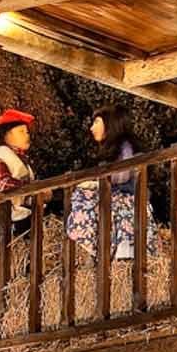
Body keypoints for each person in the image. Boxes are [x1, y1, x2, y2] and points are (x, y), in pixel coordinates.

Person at [63, 104, 140, 263]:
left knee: (84, 195)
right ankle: (93, 244)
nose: (92, 128)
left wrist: (94, 183)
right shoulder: (111, 150)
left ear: (111, 123)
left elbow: (122, 175)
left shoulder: (125, 146)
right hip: (114, 196)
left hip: (125, 197)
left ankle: (96, 245)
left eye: (96, 122)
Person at [0, 108, 37, 240]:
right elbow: (4, 184)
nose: (27, 135)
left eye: (27, 132)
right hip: (2, 220)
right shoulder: (0, 155)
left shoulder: (19, 159)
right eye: (21, 131)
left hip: (15, 214)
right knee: (38, 224)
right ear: (6, 135)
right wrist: (35, 190)